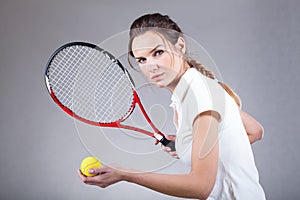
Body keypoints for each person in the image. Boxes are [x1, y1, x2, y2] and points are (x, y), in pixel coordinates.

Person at [78, 13, 265, 199]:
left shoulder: (200, 96)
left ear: (180, 46)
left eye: (158, 53)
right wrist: (195, 147)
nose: (151, 66)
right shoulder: (190, 92)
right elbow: (255, 130)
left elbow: (201, 187)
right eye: (142, 60)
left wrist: (127, 175)